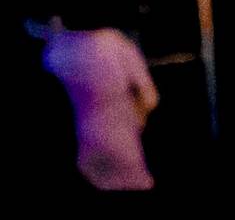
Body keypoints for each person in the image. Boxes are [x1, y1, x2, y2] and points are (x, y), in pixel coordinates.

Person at [43, 11, 158, 197]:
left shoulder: (54, 53)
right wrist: (136, 120)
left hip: (80, 161)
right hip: (124, 154)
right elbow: (150, 97)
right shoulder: (115, 43)